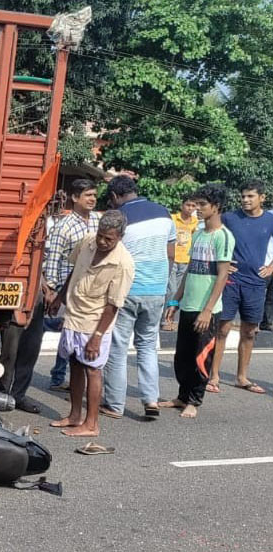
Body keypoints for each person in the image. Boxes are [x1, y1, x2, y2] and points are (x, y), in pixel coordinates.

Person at [0, 180, 101, 410]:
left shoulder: (97, 222)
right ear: (74, 198)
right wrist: (51, 292)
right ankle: (2, 393)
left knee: (37, 347)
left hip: (82, 294)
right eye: (88, 195)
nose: (92, 199)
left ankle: (19, 394)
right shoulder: (63, 226)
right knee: (16, 344)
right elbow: (51, 260)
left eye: (94, 195)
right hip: (51, 291)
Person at [48, 211, 134, 437]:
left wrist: (97, 337)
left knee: (92, 369)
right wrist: (60, 297)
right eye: (101, 236)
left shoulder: (123, 263)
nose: (103, 242)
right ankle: (75, 415)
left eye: (109, 239)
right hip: (74, 315)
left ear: (120, 237)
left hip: (96, 322)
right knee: (75, 363)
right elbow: (74, 272)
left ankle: (92, 424)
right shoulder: (87, 242)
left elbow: (113, 305)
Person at [101, 175, 176, 419]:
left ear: (114, 196)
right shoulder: (164, 213)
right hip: (156, 290)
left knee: (118, 347)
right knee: (147, 346)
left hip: (128, 290)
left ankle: (114, 404)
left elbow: (109, 256)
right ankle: (151, 400)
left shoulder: (120, 218)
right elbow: (171, 254)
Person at [161, 184, 232, 419]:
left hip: (207, 310)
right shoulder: (199, 233)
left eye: (202, 205)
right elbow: (191, 268)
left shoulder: (223, 236)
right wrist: (174, 301)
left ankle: (194, 400)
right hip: (188, 305)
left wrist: (207, 310)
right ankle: (182, 396)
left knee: (201, 358)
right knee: (182, 356)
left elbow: (222, 275)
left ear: (216, 206)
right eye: (196, 204)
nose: (197, 209)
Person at [206, 180, 273, 395]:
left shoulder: (270, 220)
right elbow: (210, 236)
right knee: (222, 328)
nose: (245, 200)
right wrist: (221, 262)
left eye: (250, 196)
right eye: (243, 196)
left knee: (249, 332)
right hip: (231, 281)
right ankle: (213, 375)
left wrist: (272, 267)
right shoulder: (230, 218)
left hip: (255, 283)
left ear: (262, 198)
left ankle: (242, 377)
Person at [161, 195, 199, 331]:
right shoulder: (172, 219)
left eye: (193, 206)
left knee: (178, 291)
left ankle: (171, 318)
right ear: (182, 205)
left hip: (186, 259)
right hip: (172, 258)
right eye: (188, 205)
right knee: (171, 290)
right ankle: (165, 320)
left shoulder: (195, 222)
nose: (190, 208)